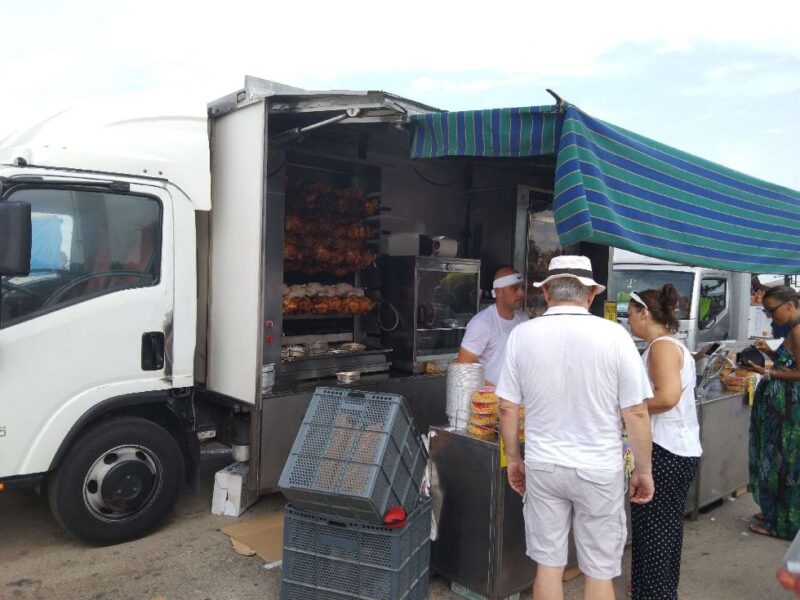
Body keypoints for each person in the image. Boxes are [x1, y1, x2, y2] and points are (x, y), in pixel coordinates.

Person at [496, 255, 654, 600]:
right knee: (598, 571)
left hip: (544, 466)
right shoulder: (615, 335)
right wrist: (643, 469)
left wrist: (515, 459)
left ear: (548, 293)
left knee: (549, 567)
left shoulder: (523, 335)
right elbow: (637, 412)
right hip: (599, 469)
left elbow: (507, 407)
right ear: (590, 295)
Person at [626, 286, 702, 600]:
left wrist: (628, 409)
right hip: (677, 449)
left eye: (630, 315)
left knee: (654, 530)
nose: (628, 321)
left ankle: (655, 593)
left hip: (666, 450)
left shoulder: (662, 347)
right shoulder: (668, 345)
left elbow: (668, 397)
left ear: (644, 313)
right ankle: (653, 590)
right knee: (663, 528)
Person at [745, 285, 800, 540]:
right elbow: (789, 360)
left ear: (789, 305)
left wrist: (765, 372)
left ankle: (780, 524)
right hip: (782, 408)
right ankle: (774, 513)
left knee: (780, 463)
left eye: (771, 310)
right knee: (779, 461)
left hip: (786, 411)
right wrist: (769, 352)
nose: (769, 316)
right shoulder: (793, 330)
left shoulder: (798, 331)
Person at [457, 267, 528, 386]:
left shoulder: (524, 318)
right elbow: (463, 369)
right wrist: (496, 392)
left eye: (522, 288)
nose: (521, 293)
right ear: (499, 292)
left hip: (519, 400)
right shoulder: (482, 323)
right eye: (515, 289)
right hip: (490, 401)